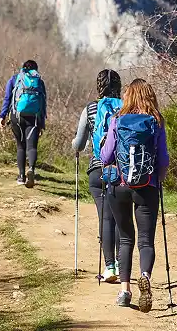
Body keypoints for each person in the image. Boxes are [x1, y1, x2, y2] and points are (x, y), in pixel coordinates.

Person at [100, 78, 169, 313]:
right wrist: (158, 179)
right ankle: (146, 276)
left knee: (126, 238)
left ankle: (124, 291)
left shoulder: (117, 120)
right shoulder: (156, 121)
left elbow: (106, 156)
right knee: (146, 240)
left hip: (119, 186)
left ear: (127, 97)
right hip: (147, 186)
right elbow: (163, 159)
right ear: (150, 96)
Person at [71, 69, 123, 284]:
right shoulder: (127, 107)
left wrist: (74, 145)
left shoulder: (90, 109)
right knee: (122, 218)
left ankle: (109, 267)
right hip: (122, 171)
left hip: (97, 169)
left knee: (105, 218)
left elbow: (79, 144)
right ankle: (123, 264)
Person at [0, 59, 47, 188]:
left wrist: (2, 115)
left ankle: (21, 176)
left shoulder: (15, 79)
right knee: (32, 147)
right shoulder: (39, 82)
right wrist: (42, 123)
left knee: (21, 146)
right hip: (34, 118)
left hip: (17, 117)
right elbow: (43, 104)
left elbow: (8, 98)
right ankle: (31, 169)